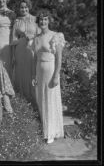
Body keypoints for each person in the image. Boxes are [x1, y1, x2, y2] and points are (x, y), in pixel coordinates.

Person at [31, 9, 65, 144]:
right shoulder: (36, 38)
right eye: (41, 19)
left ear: (49, 21)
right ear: (38, 22)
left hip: (51, 71)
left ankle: (51, 132)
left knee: (50, 100)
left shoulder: (55, 36)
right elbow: (35, 58)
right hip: (39, 71)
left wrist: (56, 75)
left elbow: (59, 58)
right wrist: (34, 75)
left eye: (45, 19)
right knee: (41, 100)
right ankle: (44, 128)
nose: (43, 22)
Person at [11, 0, 38, 103]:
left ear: (29, 7)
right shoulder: (17, 21)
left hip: (32, 49)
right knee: (20, 75)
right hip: (19, 49)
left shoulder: (35, 19)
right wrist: (13, 55)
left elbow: (40, 35)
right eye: (22, 7)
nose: (24, 9)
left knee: (32, 73)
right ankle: (22, 102)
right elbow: (13, 39)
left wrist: (31, 37)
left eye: (26, 7)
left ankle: (34, 100)